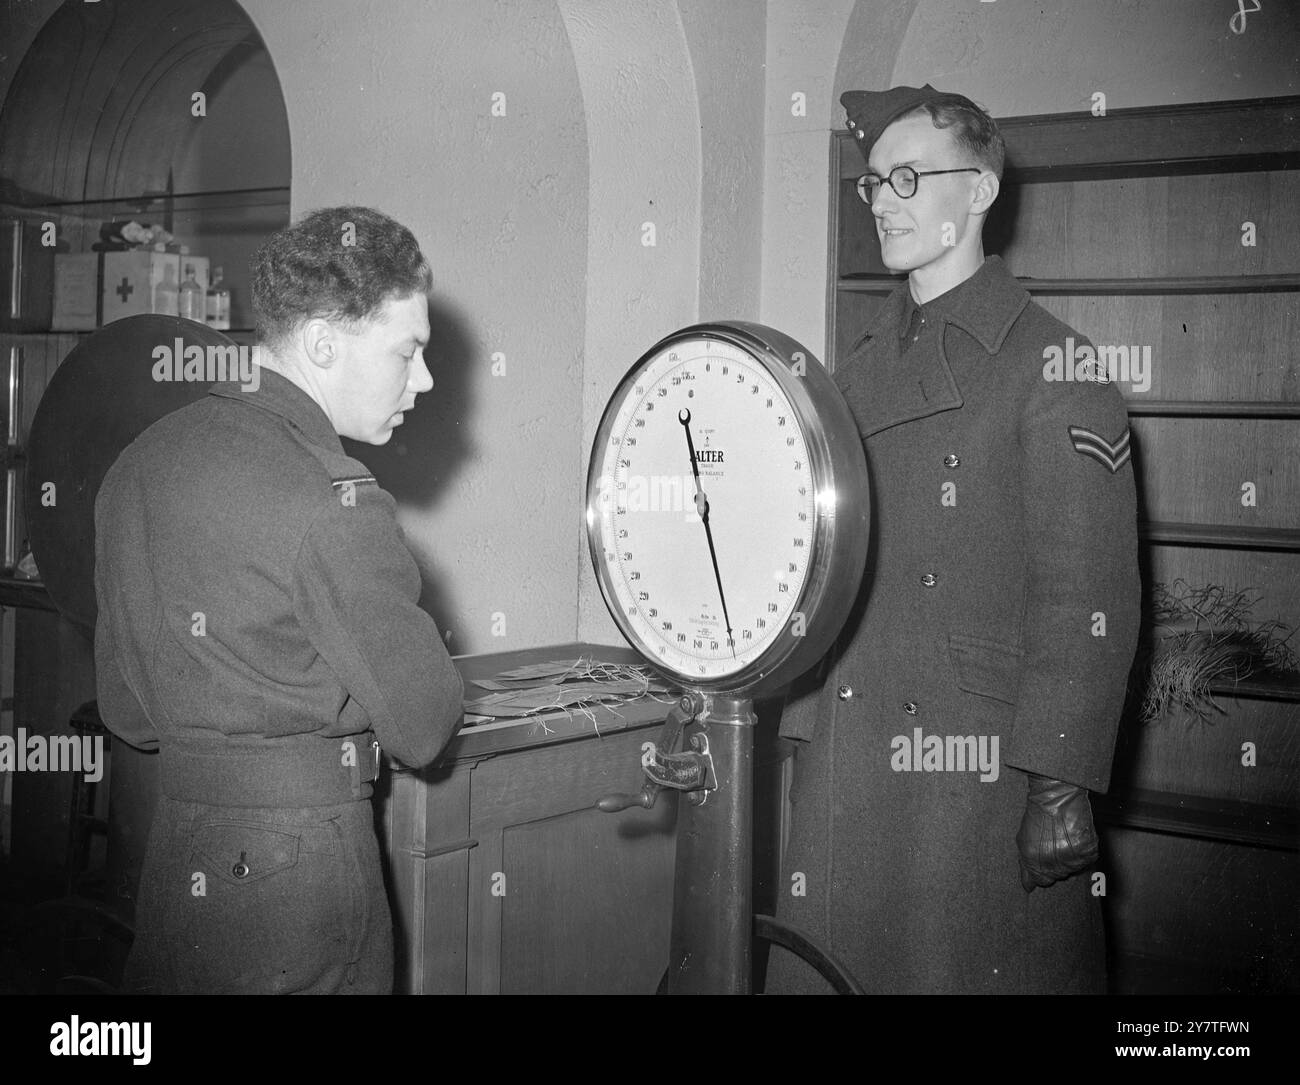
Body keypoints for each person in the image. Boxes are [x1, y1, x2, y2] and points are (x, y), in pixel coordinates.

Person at [767, 86, 1141, 994]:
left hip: (975, 763)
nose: (884, 200)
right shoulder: (848, 372)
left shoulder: (1058, 368)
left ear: (976, 192)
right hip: (851, 751)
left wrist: (1058, 782)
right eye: (872, 184)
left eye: (906, 177)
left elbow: (1085, 593)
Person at [93, 206, 463, 994]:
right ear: (325, 342)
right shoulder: (336, 497)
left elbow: (126, 712)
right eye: (409, 351)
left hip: (176, 859)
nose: (425, 379)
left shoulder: (139, 463)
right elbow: (425, 728)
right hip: (303, 878)